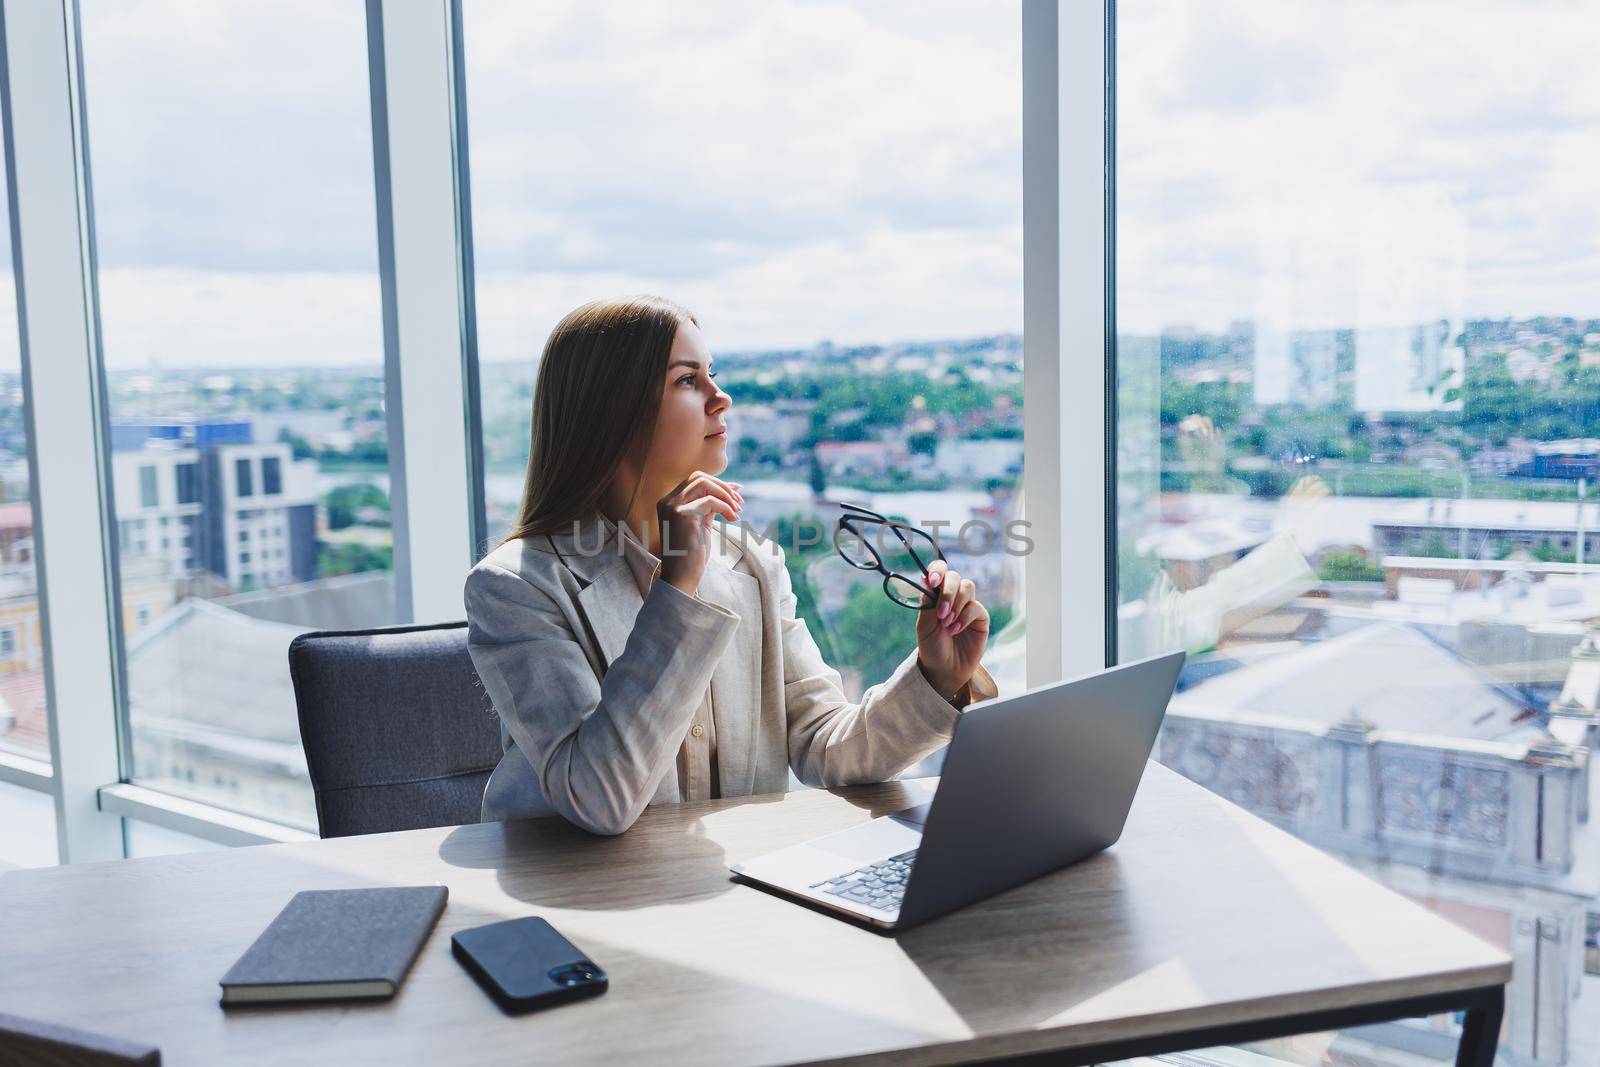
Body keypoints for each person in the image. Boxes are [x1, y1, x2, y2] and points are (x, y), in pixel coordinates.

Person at [464, 295, 999, 835]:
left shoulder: (753, 564)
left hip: (731, 893)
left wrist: (936, 677)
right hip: (577, 899)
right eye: (687, 380)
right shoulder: (516, 588)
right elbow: (599, 799)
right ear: (613, 412)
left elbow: (824, 745)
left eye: (711, 374)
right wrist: (678, 591)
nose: (722, 399)